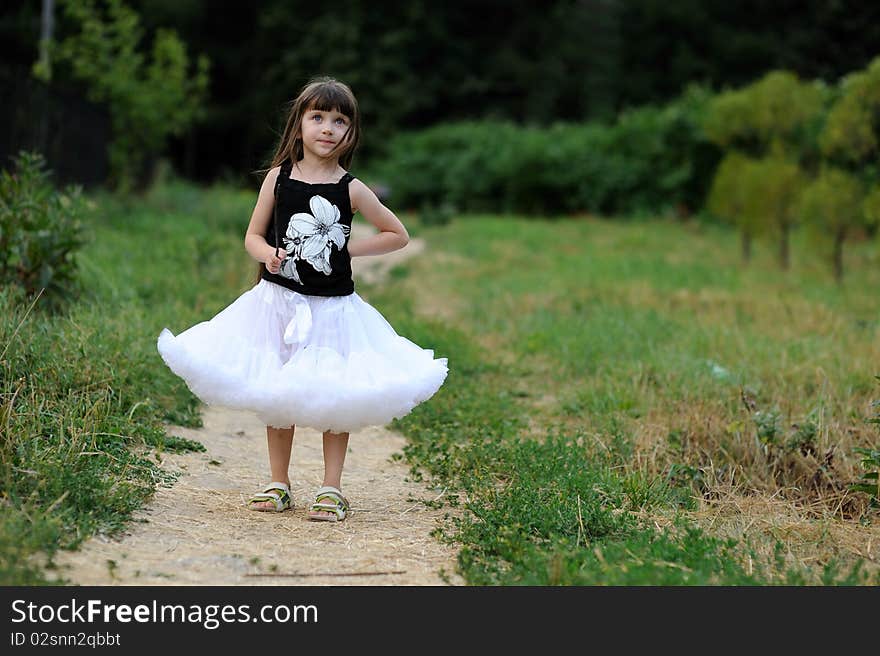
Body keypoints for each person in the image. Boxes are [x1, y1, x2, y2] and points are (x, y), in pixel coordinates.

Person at [157, 77, 449, 522]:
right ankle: (279, 483)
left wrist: (346, 248)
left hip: (332, 310)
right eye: (318, 117)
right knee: (279, 390)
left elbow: (398, 235)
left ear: (350, 133)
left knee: (335, 395)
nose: (328, 128)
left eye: (340, 121)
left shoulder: (350, 188)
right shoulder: (279, 179)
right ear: (299, 125)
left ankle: (331, 488)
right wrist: (268, 255)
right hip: (278, 302)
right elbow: (253, 236)